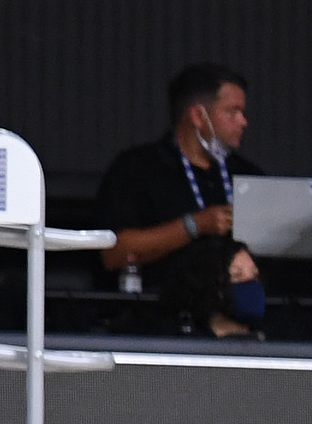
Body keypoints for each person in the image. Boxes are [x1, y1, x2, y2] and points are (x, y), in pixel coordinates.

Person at [98, 63, 266, 337]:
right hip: (159, 328)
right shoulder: (136, 169)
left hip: (242, 330)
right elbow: (115, 253)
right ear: (199, 116)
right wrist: (195, 225)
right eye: (233, 111)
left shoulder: (248, 176)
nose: (243, 121)